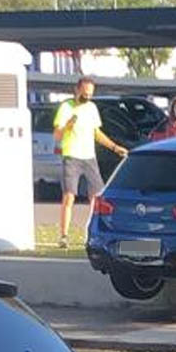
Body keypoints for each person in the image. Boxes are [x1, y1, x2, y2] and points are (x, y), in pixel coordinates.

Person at [53, 77, 128, 249]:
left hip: (89, 157)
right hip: (71, 155)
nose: (87, 97)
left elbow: (97, 133)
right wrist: (67, 126)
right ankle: (64, 235)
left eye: (90, 94)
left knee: (96, 197)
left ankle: (92, 232)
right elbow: (57, 135)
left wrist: (115, 147)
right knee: (69, 195)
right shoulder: (66, 107)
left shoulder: (91, 108)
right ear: (77, 90)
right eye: (85, 93)